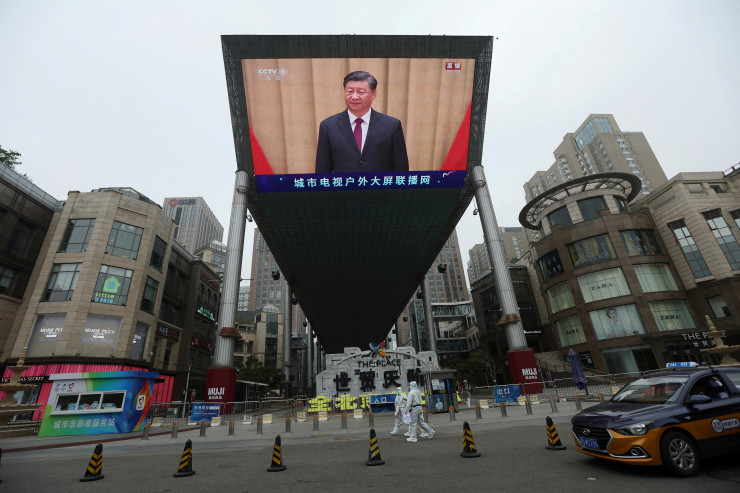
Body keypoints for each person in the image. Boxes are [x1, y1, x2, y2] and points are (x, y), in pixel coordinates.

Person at [315, 71, 409, 173]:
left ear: (373, 94)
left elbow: (401, 169)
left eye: (360, 92)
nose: (354, 97)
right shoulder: (328, 126)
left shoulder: (391, 126)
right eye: (350, 91)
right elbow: (322, 170)